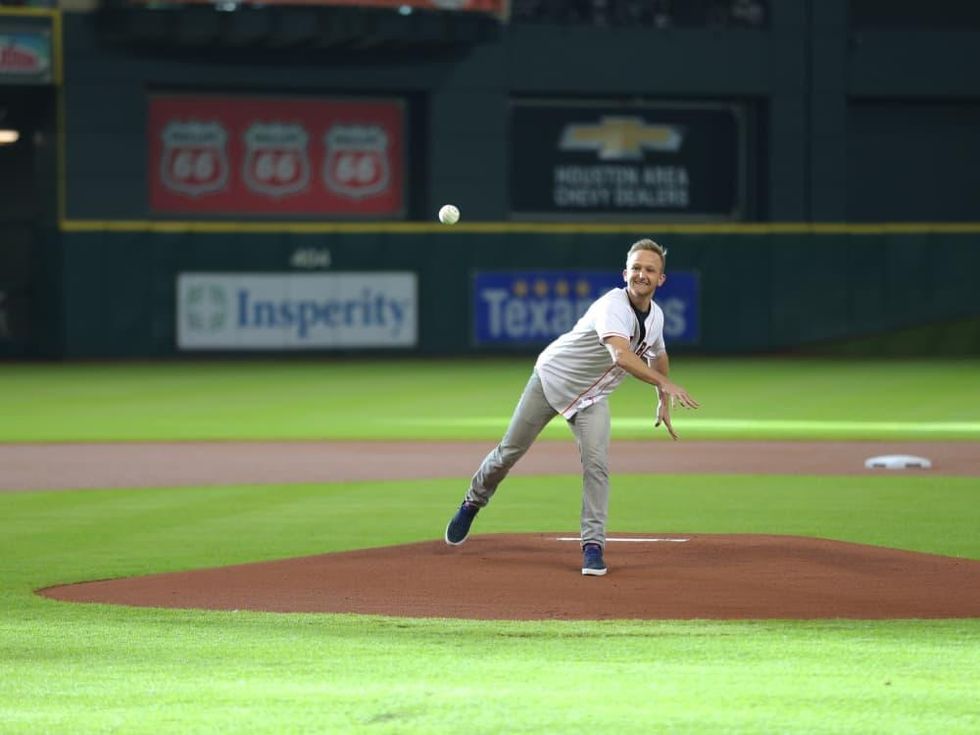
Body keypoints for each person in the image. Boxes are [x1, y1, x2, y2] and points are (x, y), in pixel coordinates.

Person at [444, 238, 700, 576]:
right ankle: (472, 502)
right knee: (509, 451)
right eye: (636, 268)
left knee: (597, 466)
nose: (642, 274)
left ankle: (593, 546)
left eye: (650, 270)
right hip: (551, 381)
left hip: (590, 400)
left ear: (660, 279)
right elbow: (621, 356)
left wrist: (662, 400)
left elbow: (659, 354)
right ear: (625, 272)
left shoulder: (656, 317)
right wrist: (664, 384)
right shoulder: (614, 306)